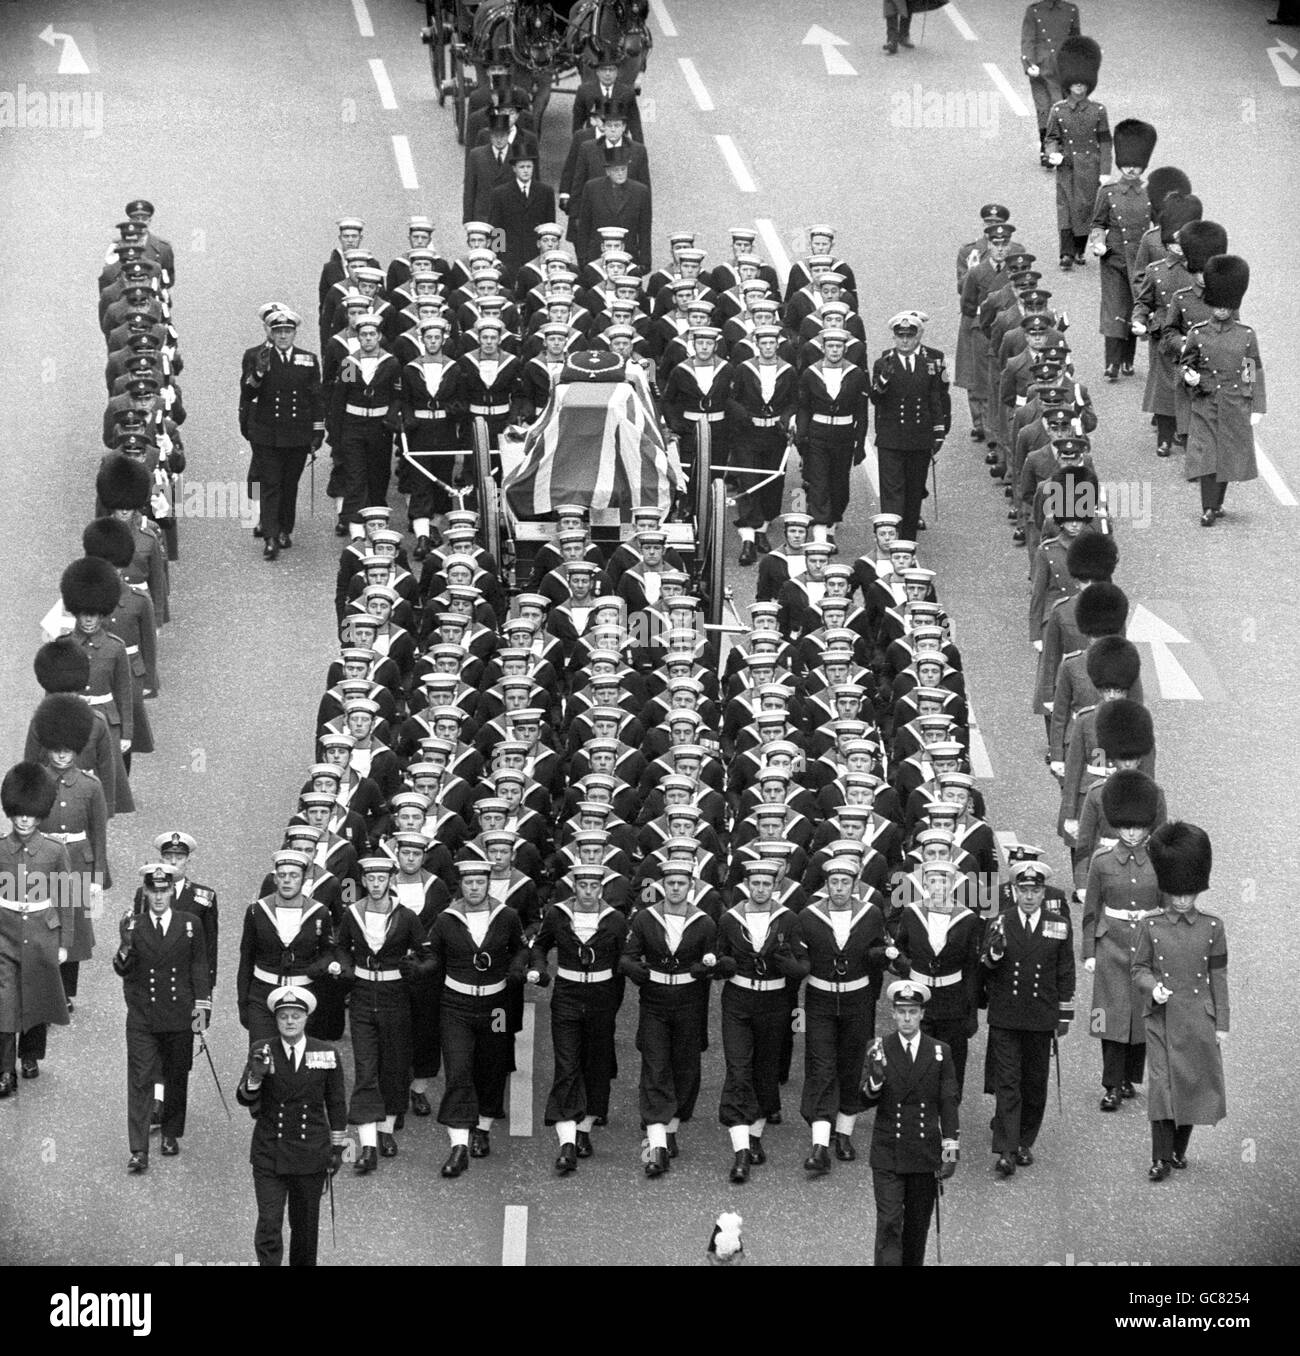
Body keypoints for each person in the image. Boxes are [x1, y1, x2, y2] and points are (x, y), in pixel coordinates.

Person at [427, 858, 528, 1178]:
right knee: (458, 1070)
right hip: (456, 1005)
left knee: (492, 1066)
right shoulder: (446, 919)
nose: (474, 888)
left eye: (480, 883)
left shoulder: (506, 916)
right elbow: (433, 956)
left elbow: (521, 948)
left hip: (496, 1006)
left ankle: (482, 1127)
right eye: (468, 883)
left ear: (488, 884)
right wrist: (420, 968)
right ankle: (458, 1145)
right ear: (462, 885)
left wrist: (516, 967)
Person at [236, 985, 347, 1266]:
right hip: (270, 1151)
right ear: (276, 1019)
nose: (289, 1021)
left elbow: (336, 1104)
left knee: (305, 1229)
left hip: (310, 1153)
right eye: (283, 1015)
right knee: (269, 1224)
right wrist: (255, 1079)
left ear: (306, 1018)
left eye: (295, 1016)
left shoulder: (326, 1054)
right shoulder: (262, 1050)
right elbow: (243, 1096)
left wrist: (340, 1150)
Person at [620, 862, 719, 1178]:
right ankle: (656, 1146)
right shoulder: (646, 918)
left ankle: (671, 1126)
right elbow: (627, 956)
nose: (675, 888)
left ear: (690, 886)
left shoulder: (703, 923)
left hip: (690, 1002)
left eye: (681, 883)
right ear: (662, 885)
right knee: (656, 1066)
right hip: (655, 1001)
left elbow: (717, 958)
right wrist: (633, 969)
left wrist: (709, 969)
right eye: (670, 883)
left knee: (685, 1067)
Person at [528, 864, 628, 1173]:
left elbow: (623, 960)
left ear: (601, 889)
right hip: (568, 996)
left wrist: (613, 1003)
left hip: (601, 998)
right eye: (582, 886)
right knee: (567, 1064)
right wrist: (540, 968)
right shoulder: (558, 914)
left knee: (595, 1065)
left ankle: (584, 1129)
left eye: (593, 887)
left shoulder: (615, 919)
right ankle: (567, 1143)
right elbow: (541, 944)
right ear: (575, 886)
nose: (587, 892)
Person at [713, 859, 810, 1182]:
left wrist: (794, 968)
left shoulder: (789, 919)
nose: (760, 890)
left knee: (765, 1070)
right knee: (739, 1068)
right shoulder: (730, 919)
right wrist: (722, 964)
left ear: (774, 887)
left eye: (766, 885)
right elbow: (718, 957)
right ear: (747, 886)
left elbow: (802, 961)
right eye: (755, 884)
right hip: (739, 1001)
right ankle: (740, 1151)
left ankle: (755, 1134)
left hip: (774, 1002)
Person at [335, 856, 432, 1174]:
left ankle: (387, 1130)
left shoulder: (406, 917)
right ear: (363, 880)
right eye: (370, 879)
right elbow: (341, 947)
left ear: (391, 880)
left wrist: (416, 969)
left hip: (396, 999)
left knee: (393, 1068)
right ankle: (368, 1146)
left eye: (382, 879)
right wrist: (346, 970)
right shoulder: (353, 914)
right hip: (362, 999)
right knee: (365, 1070)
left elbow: (428, 955)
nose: (376, 884)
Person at [113, 863, 211, 1171]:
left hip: (179, 1014)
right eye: (152, 891)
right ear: (145, 892)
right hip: (143, 1016)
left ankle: (170, 1132)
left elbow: (199, 967)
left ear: (172, 891)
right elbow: (121, 968)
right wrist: (126, 945)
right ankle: (139, 1148)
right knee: (140, 1079)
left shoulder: (190, 923)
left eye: (164, 891)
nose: (158, 897)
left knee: (176, 1075)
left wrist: (201, 1011)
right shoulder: (134, 924)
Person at [980, 857, 1075, 1177]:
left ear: (1042, 892)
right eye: (1024, 890)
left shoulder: (1058, 924)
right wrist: (992, 956)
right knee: (1008, 1082)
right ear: (1015, 891)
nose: (1030, 896)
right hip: (1007, 1014)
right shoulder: (1000, 921)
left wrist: (1064, 1014)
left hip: (1040, 1015)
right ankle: (1005, 1149)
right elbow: (984, 966)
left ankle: (1024, 1141)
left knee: (1034, 1084)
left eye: (1035, 890)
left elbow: (1066, 970)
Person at [861, 979, 960, 1266]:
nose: (906, 1018)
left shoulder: (940, 1052)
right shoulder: (878, 1047)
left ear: (921, 1014)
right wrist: (875, 1082)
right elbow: (863, 1099)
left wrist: (950, 1150)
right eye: (901, 1011)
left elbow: (948, 1103)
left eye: (912, 1011)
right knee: (890, 1223)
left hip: (923, 1152)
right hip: (888, 1151)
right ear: (892, 1013)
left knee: (917, 1229)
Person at [1083, 770, 1162, 1112]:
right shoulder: (1102, 862)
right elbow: (1090, 908)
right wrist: (1088, 950)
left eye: (1138, 826)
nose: (1132, 831)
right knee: (1110, 1016)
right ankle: (1111, 1084)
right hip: (1112, 943)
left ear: (1147, 825)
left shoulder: (1159, 860)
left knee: (1141, 1015)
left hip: (1147, 943)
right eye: (1126, 826)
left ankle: (1130, 1077)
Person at [0, 763, 73, 1095]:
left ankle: (30, 1055)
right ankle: (4, 1070)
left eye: (30, 814)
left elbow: (67, 900)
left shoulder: (55, 851)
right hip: (5, 935)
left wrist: (64, 943)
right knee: (4, 1003)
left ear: (39, 813)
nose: (24, 819)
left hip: (42, 934)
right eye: (19, 813)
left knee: (36, 997)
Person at [1179, 255, 1264, 526]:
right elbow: (1185, 363)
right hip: (1206, 400)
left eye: (1227, 306)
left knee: (1227, 456)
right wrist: (1188, 376)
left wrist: (1256, 405)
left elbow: (1251, 368)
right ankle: (1207, 508)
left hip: (1235, 401)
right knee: (1207, 455)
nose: (1222, 311)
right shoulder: (1197, 333)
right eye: (1217, 305)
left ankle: (1216, 503)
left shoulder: (1246, 335)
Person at [239, 305, 325, 557]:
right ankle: (270, 536)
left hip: (297, 435)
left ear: (294, 333)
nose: (283, 336)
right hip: (267, 434)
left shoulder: (308, 359)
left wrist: (317, 431)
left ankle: (285, 528)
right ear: (271, 334)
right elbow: (248, 393)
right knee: (270, 484)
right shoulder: (258, 356)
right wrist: (258, 373)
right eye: (279, 331)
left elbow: (316, 398)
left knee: (290, 485)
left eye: (288, 331)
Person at [870, 311, 951, 541]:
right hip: (892, 438)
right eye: (900, 336)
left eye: (909, 336)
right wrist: (883, 381)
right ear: (894, 337)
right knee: (892, 493)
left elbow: (934, 399)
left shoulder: (928, 364)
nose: (904, 340)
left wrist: (939, 431)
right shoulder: (883, 363)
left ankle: (908, 540)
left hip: (919, 438)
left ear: (917, 337)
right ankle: (892, 540)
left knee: (914, 491)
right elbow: (875, 398)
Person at [1089, 118, 1156, 379]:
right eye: (1127, 164)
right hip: (1115, 259)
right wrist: (1098, 243)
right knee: (1114, 309)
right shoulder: (1108, 192)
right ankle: (1111, 363)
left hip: (1142, 261)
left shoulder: (1151, 193)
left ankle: (1128, 361)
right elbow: (1098, 223)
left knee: (1135, 308)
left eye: (1136, 165)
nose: (1131, 169)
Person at [794, 328, 870, 546]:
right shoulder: (811, 373)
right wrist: (801, 435)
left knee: (839, 485)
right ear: (823, 349)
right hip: (818, 434)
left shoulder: (855, 374)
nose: (834, 350)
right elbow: (804, 408)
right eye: (830, 346)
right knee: (818, 482)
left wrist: (860, 444)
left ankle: (832, 523)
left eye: (839, 347)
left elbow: (861, 413)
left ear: (845, 349)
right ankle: (820, 533)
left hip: (844, 436)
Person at [1044, 36, 1108, 271]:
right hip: (1067, 165)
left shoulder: (1098, 110)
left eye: (1083, 84)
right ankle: (1066, 253)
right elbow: (1051, 137)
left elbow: (1105, 141)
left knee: (1085, 208)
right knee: (1065, 208)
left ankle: (1079, 249)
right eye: (1075, 84)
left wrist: (1105, 171)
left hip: (1090, 166)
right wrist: (1053, 154)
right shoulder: (1058, 110)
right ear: (1068, 84)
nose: (1079, 87)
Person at [572, 145, 653, 272]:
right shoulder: (592, 188)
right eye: (616, 170)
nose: (620, 173)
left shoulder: (640, 191)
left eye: (623, 169)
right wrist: (582, 257)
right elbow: (584, 225)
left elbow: (644, 230)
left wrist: (645, 260)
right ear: (607, 171)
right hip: (597, 255)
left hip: (628, 254)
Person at [1020, 1, 1081, 164]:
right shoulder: (1034, 11)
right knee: (1043, 107)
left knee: (1058, 106)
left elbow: (1075, 39)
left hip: (1062, 67)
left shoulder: (1071, 10)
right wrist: (1029, 64)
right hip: (1040, 68)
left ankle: (1051, 148)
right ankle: (1047, 148)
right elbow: (1028, 39)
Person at [487, 143, 557, 280]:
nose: (526, 171)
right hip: (510, 255)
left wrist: (547, 252)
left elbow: (549, 226)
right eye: (522, 167)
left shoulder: (545, 192)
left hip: (535, 254)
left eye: (529, 167)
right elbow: (497, 228)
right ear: (514, 169)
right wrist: (498, 255)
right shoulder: (500, 193)